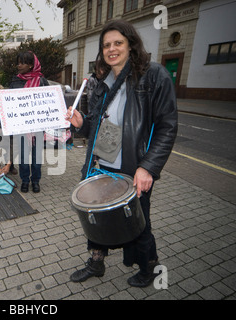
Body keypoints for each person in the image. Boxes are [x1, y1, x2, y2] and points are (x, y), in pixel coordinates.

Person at [66, 20, 178, 287]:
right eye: (106, 45)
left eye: (118, 43)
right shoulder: (102, 81)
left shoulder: (153, 75)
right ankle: (96, 261)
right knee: (95, 216)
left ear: (131, 44)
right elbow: (98, 124)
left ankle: (149, 267)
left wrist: (148, 167)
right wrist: (82, 123)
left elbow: (167, 126)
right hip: (101, 162)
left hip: (134, 166)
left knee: (138, 222)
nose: (111, 49)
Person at [9, 51, 49, 193]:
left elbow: (49, 103)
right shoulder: (15, 81)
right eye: (18, 62)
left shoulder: (42, 82)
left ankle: (36, 181)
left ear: (31, 65)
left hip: (38, 126)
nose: (19, 65)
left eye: (23, 62)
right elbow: (10, 102)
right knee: (24, 156)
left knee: (36, 156)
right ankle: (25, 180)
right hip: (21, 127)